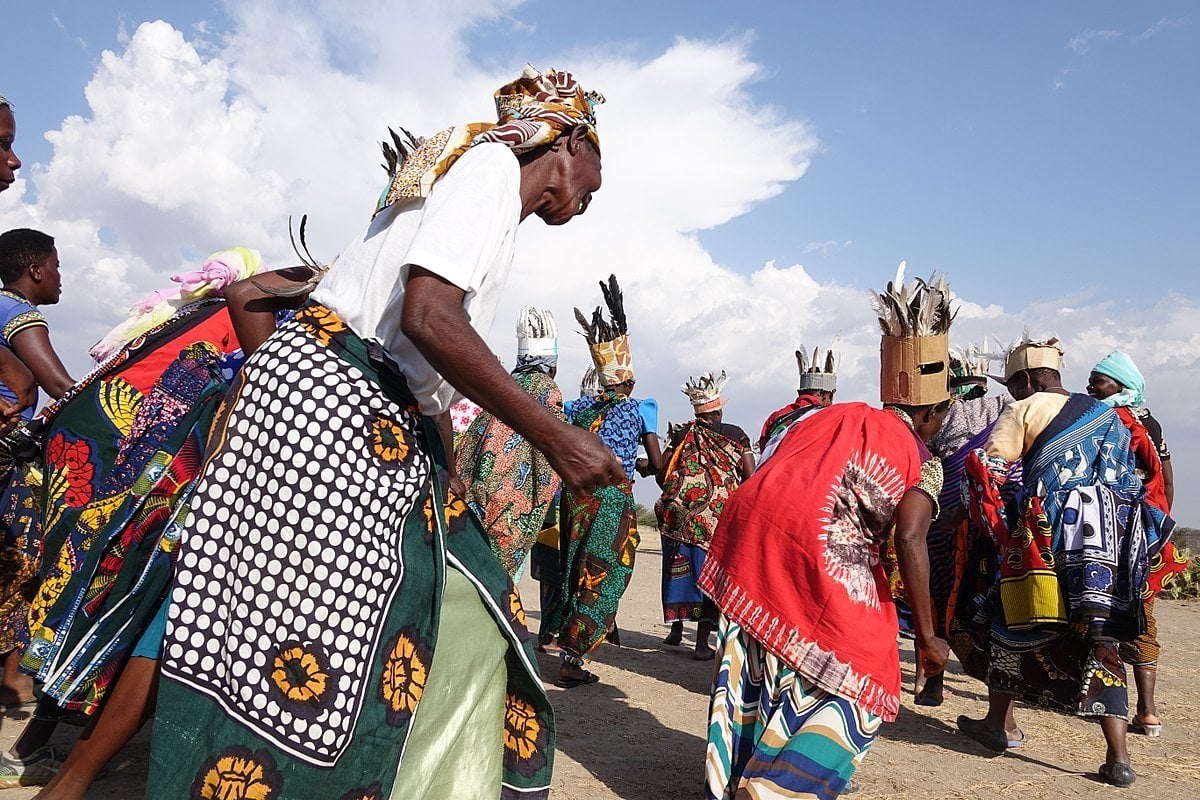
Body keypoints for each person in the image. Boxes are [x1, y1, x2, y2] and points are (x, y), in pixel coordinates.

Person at [149, 66, 621, 800]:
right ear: (573, 138)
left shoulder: (471, 184)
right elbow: (428, 319)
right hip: (342, 403)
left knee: (454, 600)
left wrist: (446, 465)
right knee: (344, 632)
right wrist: (555, 436)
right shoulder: (491, 168)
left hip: (361, 405)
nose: (597, 191)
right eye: (602, 165)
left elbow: (419, 355)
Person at [0, 251, 312, 797]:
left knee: (102, 593)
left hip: (125, 472)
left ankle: (43, 749)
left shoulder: (193, 324)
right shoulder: (267, 326)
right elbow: (45, 386)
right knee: (143, 609)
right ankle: (68, 769)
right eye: (51, 265)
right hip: (161, 478)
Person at [700, 269, 954, 800]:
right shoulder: (922, 460)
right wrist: (927, 637)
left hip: (751, 534)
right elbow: (909, 538)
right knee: (869, 668)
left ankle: (738, 774)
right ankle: (779, 788)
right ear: (930, 411)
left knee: (761, 654)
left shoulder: (830, 415)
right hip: (817, 547)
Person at [957, 338, 1172, 787]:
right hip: (1107, 546)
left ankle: (997, 726)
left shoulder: (1023, 410)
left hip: (1048, 535)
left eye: (1015, 384)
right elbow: (1129, 480)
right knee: (1103, 641)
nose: (1013, 393)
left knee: (1010, 622)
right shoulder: (1104, 413)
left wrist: (998, 527)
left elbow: (990, 472)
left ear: (1029, 379)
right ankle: (1119, 760)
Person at [543, 274, 662, 687]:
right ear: (626, 380)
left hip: (576, 498)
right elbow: (655, 462)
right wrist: (648, 466)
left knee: (576, 566)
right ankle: (572, 659)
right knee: (605, 574)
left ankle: (561, 640)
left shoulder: (580, 406)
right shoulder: (634, 410)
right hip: (611, 500)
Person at [1087, 349, 1188, 738]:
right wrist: (1159, 523)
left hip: (1114, 532)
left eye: (1099, 380)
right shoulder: (1149, 423)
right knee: (1141, 614)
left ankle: (1137, 709)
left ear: (1121, 384)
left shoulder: (1111, 419)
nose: (1090, 386)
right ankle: (1146, 711)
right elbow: (1167, 477)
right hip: (1145, 531)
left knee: (1109, 613)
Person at [0, 228, 75, 718]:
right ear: (35, 270)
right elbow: (57, 385)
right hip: (11, 457)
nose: (59, 275)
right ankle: (14, 679)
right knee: (23, 558)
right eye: (56, 264)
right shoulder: (17, 314)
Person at [456, 306, 566, 580]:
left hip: (478, 495)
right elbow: (549, 448)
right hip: (510, 507)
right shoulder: (546, 388)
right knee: (501, 584)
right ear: (552, 366)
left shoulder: (505, 382)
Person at [655, 371, 754, 660]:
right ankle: (700, 644)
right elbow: (750, 477)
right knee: (707, 575)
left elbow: (664, 474)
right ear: (719, 410)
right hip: (714, 518)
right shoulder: (736, 435)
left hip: (677, 514)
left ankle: (674, 631)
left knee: (678, 570)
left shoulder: (682, 434)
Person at [758, 344, 837, 450]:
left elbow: (765, 450)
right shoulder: (829, 418)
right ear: (824, 395)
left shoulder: (776, 417)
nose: (831, 402)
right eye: (831, 397)